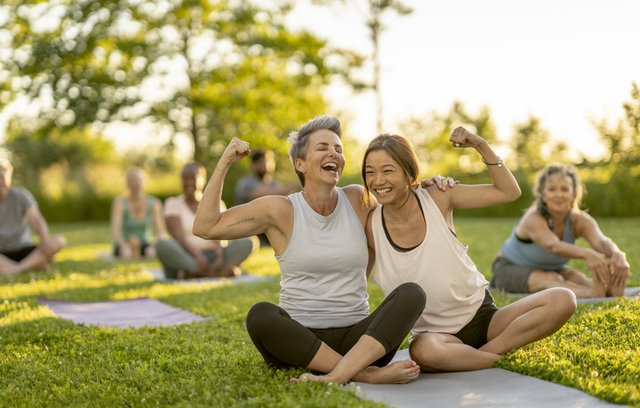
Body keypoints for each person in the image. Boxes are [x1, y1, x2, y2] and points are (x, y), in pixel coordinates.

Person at [193, 116, 430, 385]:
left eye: (338, 149)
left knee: (412, 294)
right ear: (300, 163)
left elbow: (401, 198)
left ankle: (341, 372)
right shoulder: (280, 210)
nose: (333, 154)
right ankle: (364, 373)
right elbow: (205, 226)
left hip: (359, 342)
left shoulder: (358, 199)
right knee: (260, 315)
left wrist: (432, 188)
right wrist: (223, 163)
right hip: (299, 343)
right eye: (322, 148)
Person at [362, 129, 577, 373]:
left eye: (387, 170)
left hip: (485, 320)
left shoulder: (438, 197)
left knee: (563, 299)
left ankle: (481, 356)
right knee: (422, 352)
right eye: (370, 172)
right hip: (436, 338)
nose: (378, 181)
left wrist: (479, 144)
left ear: (409, 172)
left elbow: (508, 192)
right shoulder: (370, 226)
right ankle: (496, 357)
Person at [490, 163, 629, 298]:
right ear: (543, 195)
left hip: (551, 268)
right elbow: (553, 246)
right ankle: (592, 294)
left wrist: (617, 254)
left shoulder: (580, 221)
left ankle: (607, 290)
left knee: (577, 278)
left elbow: (601, 241)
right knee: (552, 278)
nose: (558, 195)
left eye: (564, 189)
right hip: (508, 269)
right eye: (552, 189)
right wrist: (587, 254)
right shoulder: (533, 218)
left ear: (573, 194)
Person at [155, 162, 257, 279]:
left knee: (248, 241)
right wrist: (197, 255)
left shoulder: (216, 203)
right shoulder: (173, 203)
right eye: (185, 178)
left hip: (212, 256)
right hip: (186, 255)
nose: (188, 182)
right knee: (162, 245)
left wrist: (219, 253)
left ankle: (197, 274)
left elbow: (221, 233)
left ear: (203, 180)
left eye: (193, 178)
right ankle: (206, 271)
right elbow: (178, 236)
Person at [0, 158, 66, 276]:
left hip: (24, 249)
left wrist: (44, 241)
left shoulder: (21, 196)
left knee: (59, 241)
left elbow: (37, 220)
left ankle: (15, 269)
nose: (2, 180)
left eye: (4, 175)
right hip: (2, 253)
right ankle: (34, 265)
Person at [234, 149, 296, 246]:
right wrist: (297, 185)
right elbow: (265, 194)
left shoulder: (276, 185)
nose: (265, 164)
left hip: (272, 229)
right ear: (253, 166)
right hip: (250, 230)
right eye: (261, 162)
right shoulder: (245, 184)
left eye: (268, 161)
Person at [110, 167, 165, 259]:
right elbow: (116, 231)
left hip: (145, 243)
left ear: (144, 182)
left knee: (152, 253)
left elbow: (160, 231)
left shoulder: (154, 203)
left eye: (138, 180)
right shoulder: (120, 203)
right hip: (125, 243)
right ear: (127, 184)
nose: (135, 184)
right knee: (126, 254)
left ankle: (138, 251)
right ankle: (133, 250)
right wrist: (123, 245)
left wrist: (153, 246)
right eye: (132, 181)